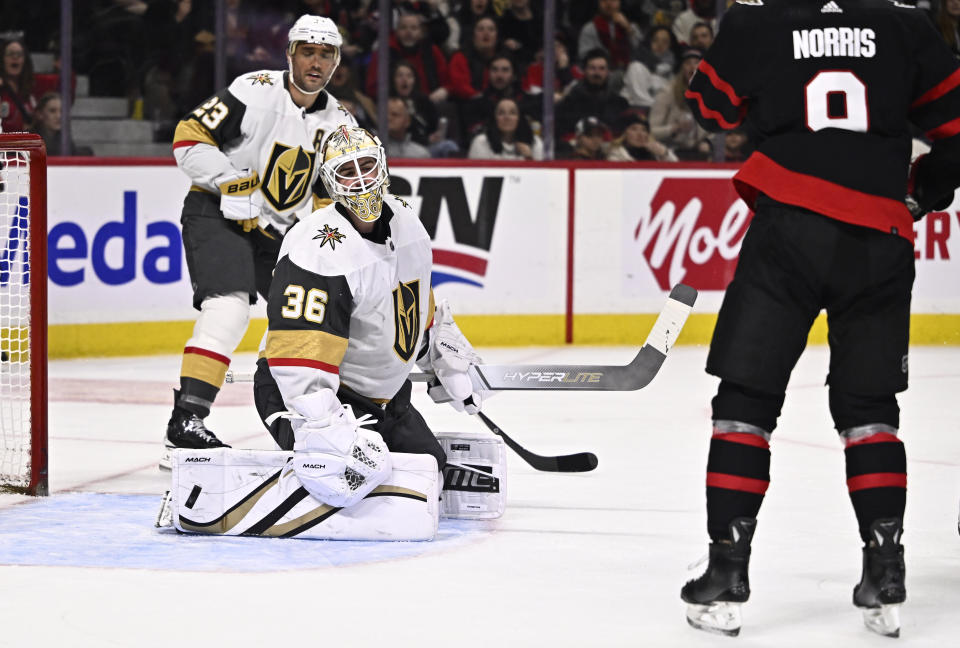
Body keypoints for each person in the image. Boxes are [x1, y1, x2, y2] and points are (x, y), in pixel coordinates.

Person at [679, 0, 960, 638]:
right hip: (879, 236)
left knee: (744, 405)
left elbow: (710, 108)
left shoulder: (759, 19)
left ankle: (727, 571)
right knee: (870, 413)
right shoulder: (906, 23)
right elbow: (957, 126)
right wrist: (924, 186)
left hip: (789, 230)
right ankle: (885, 573)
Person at [156, 127, 496, 539]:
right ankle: (223, 498)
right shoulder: (316, 248)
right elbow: (297, 354)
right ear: (331, 182)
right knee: (357, 482)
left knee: (428, 471)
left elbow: (412, 305)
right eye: (346, 171)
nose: (361, 178)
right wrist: (325, 428)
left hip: (383, 398)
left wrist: (441, 352)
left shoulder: (408, 222)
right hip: (304, 394)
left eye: (367, 165)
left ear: (383, 165)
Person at [161, 14, 357, 470]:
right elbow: (188, 137)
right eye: (307, 51)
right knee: (227, 308)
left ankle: (297, 422)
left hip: (278, 234)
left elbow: (330, 200)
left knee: (297, 323)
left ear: (337, 61)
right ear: (289, 53)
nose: (316, 62)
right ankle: (186, 419)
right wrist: (231, 184)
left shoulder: (340, 122)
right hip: (216, 213)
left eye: (326, 54)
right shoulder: (253, 88)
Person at [649, 47, 710, 159]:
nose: (693, 67)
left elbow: (717, 130)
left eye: (697, 63)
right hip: (671, 152)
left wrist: (708, 141)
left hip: (699, 153)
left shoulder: (711, 95)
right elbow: (651, 131)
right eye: (688, 63)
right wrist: (674, 128)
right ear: (682, 68)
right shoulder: (667, 92)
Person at [467, 96, 543, 160]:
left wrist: (529, 158)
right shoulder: (481, 142)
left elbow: (542, 175)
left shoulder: (535, 142)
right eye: (501, 113)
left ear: (520, 118)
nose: (507, 117)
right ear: (494, 118)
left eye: (512, 113)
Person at [30, 91, 93, 156]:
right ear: (40, 114)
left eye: (62, 111)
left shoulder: (64, 137)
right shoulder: (29, 140)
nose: (59, 116)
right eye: (52, 111)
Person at [606, 111, 676, 162]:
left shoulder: (656, 153)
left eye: (644, 130)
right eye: (634, 129)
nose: (641, 134)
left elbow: (677, 172)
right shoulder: (616, 156)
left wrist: (664, 154)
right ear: (623, 134)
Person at [0, 38, 37, 133]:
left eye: (19, 54)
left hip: (24, 145)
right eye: (10, 54)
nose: (15, 57)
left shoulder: (31, 90)